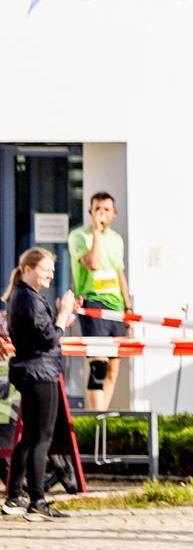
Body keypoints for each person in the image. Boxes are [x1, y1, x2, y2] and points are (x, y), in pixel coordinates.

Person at [4, 249, 76, 521]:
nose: (51, 274)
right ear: (28, 270)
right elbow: (49, 339)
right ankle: (37, 502)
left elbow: (45, 333)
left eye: (52, 270)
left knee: (29, 437)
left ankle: (14, 497)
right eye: (46, 269)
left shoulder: (23, 296)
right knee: (41, 438)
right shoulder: (29, 300)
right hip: (40, 372)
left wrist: (64, 316)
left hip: (31, 371)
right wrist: (63, 314)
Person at [68, 192, 131, 412]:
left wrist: (128, 307)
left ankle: (103, 416)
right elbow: (93, 263)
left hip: (116, 307)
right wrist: (95, 232)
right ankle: (97, 419)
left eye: (106, 209)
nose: (102, 214)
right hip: (94, 304)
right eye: (97, 209)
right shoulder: (79, 236)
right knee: (98, 365)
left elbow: (119, 273)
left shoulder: (116, 239)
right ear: (91, 212)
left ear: (114, 213)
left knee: (113, 366)